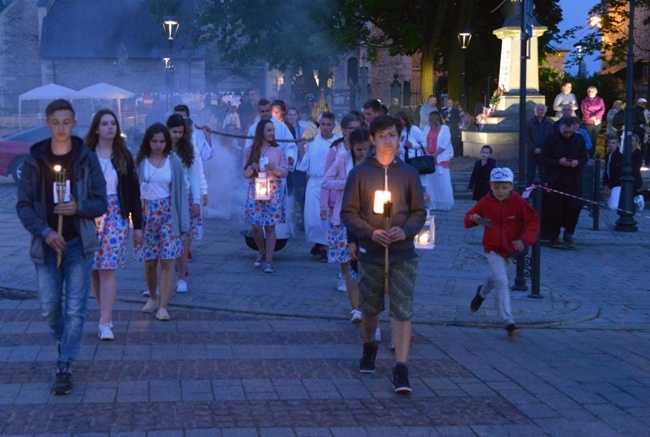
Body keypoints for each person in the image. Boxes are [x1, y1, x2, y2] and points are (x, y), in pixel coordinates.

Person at [16, 99, 108, 395]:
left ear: (74, 122)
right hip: (46, 246)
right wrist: (44, 232)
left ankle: (65, 365)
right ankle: (64, 339)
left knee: (76, 310)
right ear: (47, 123)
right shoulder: (34, 161)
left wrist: (78, 207)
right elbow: (23, 205)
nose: (61, 128)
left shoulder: (85, 158)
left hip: (78, 244)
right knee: (49, 307)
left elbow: (101, 202)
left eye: (66, 122)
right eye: (55, 122)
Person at [340, 115, 427, 394]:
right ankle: (369, 345)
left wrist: (405, 230)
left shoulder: (408, 173)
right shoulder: (360, 173)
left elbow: (418, 212)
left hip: (402, 252)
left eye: (392, 135)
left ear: (399, 138)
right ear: (373, 140)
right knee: (370, 308)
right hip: (371, 252)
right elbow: (348, 213)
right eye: (382, 136)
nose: (388, 140)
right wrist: (369, 232)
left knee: (401, 309)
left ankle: (401, 368)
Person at [84, 109, 143, 341]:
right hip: (90, 215)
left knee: (108, 269)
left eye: (113, 124)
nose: (110, 127)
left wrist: (137, 224)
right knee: (95, 271)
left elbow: (133, 191)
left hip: (116, 216)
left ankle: (106, 322)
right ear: (96, 128)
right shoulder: (85, 155)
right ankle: (104, 313)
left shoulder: (123, 157)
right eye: (105, 124)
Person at [464, 167, 540, 339]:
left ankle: (481, 293)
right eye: (496, 187)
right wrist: (473, 219)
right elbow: (468, 217)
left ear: (511, 187)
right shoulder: (485, 201)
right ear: (491, 187)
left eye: (504, 187)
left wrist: (524, 240)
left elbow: (533, 221)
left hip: (510, 249)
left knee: (496, 277)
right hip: (491, 248)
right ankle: (509, 322)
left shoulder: (518, 202)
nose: (500, 191)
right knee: (502, 281)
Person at [135, 123, 189, 321]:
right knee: (150, 262)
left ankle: (164, 305)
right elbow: (135, 189)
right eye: (154, 141)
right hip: (148, 215)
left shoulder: (173, 162)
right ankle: (152, 296)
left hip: (168, 214)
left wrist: (184, 221)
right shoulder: (141, 162)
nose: (158, 145)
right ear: (148, 142)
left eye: (161, 141)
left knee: (168, 260)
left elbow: (180, 192)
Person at [322, 127, 372, 323]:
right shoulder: (343, 159)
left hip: (368, 217)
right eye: (359, 149)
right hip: (345, 215)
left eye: (365, 149)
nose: (362, 153)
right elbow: (326, 181)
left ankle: (367, 303)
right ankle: (356, 309)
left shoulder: (375, 162)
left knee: (366, 262)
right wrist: (345, 183)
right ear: (352, 146)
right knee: (351, 263)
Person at [320, 113, 362, 287]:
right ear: (344, 130)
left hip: (362, 206)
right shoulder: (337, 151)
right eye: (351, 129)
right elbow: (326, 178)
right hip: (341, 203)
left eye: (357, 129)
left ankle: (357, 275)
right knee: (342, 244)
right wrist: (324, 204)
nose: (354, 132)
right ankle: (344, 275)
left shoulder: (365, 149)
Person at [242, 119, 289, 273]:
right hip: (256, 187)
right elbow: (245, 173)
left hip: (273, 188)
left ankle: (269, 260)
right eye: (269, 130)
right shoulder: (251, 150)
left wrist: (274, 169)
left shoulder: (278, 150)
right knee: (256, 226)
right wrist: (251, 167)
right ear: (261, 132)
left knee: (270, 226)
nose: (272, 133)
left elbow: (285, 171)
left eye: (273, 130)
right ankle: (261, 251)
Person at [540, 118, 588, 248]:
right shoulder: (551, 139)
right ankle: (554, 236)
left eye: (569, 131)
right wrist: (558, 162)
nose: (567, 134)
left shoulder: (579, 139)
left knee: (574, 207)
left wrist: (577, 162)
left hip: (573, 179)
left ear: (573, 128)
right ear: (560, 127)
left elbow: (584, 157)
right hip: (556, 180)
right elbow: (544, 158)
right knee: (554, 209)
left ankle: (569, 233)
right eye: (565, 131)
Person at [297, 111, 339, 260]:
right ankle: (319, 243)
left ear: (334, 126)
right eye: (323, 124)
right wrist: (301, 149)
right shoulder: (313, 142)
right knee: (312, 217)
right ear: (319, 125)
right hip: (314, 182)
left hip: (330, 184)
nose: (326, 128)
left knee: (326, 216)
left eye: (329, 125)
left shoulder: (338, 143)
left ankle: (325, 247)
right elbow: (305, 163)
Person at [167, 115, 201, 293]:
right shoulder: (160, 146)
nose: (177, 135)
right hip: (165, 196)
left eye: (181, 132)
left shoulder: (188, 149)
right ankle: (161, 281)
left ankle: (182, 277)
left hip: (185, 196)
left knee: (183, 239)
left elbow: (194, 176)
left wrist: (197, 199)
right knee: (166, 240)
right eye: (174, 132)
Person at [423, 111, 454, 211]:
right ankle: (432, 203)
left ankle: (444, 204)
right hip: (429, 159)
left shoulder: (445, 129)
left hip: (440, 159)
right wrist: (427, 153)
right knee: (430, 182)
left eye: (430, 119)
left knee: (442, 182)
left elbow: (445, 144)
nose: (429, 121)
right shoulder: (426, 128)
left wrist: (435, 155)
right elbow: (422, 141)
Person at [525, 104, 554, 185]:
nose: (540, 111)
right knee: (530, 176)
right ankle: (528, 195)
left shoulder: (549, 123)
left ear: (544, 111)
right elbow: (526, 137)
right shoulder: (529, 123)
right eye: (538, 109)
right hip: (531, 153)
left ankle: (544, 195)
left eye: (542, 110)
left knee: (544, 176)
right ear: (535, 111)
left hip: (544, 153)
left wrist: (544, 149)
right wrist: (534, 148)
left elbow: (551, 138)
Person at [580, 86, 605, 157]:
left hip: (597, 122)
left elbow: (602, 109)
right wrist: (591, 116)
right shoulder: (584, 101)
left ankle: (592, 155)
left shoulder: (600, 100)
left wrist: (596, 116)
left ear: (596, 92)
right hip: (588, 122)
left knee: (594, 140)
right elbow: (584, 110)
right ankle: (586, 155)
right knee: (588, 140)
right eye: (589, 91)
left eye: (592, 91)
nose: (590, 92)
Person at [603, 136, 623, 210]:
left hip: (617, 184)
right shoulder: (607, 156)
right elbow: (606, 171)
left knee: (613, 206)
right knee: (609, 204)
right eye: (609, 143)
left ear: (617, 144)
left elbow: (618, 173)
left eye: (613, 143)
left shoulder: (619, 156)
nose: (611, 145)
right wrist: (606, 185)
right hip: (610, 182)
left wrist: (609, 186)